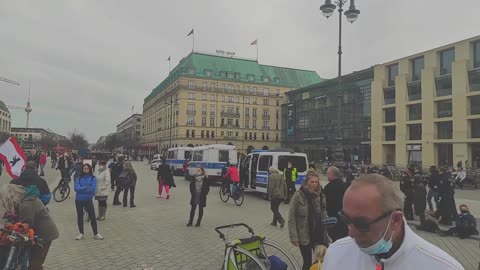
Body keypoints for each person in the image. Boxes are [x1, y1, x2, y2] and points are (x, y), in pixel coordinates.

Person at [322, 174, 463, 270]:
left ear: (395, 220)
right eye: (346, 219)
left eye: (362, 224)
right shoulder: (336, 253)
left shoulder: (441, 266)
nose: (351, 232)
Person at [0, 184, 59, 270]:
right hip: (41, 233)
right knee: (33, 261)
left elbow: (25, 226)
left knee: (34, 263)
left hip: (44, 235)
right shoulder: (26, 199)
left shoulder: (27, 204)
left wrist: (10, 229)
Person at [288, 171, 330, 270]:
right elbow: (291, 217)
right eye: (312, 182)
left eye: (316, 182)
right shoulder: (298, 195)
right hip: (305, 234)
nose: (314, 184)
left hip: (319, 233)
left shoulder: (321, 195)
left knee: (320, 261)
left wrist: (328, 226)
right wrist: (294, 237)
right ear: (306, 182)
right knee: (307, 263)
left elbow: (323, 213)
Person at [74, 163, 103, 240]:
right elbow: (76, 188)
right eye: (84, 168)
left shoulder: (93, 178)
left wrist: (82, 188)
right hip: (78, 200)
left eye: (87, 168)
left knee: (92, 216)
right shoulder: (79, 178)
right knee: (80, 216)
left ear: (90, 169)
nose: (86, 170)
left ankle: (95, 234)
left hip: (88, 200)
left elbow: (92, 189)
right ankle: (81, 233)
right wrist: (86, 187)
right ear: (82, 169)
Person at [323, 166, 348, 242]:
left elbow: (324, 204)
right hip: (344, 218)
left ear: (332, 174)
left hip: (332, 219)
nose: (326, 175)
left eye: (327, 174)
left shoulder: (327, 188)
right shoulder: (345, 186)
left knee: (334, 239)